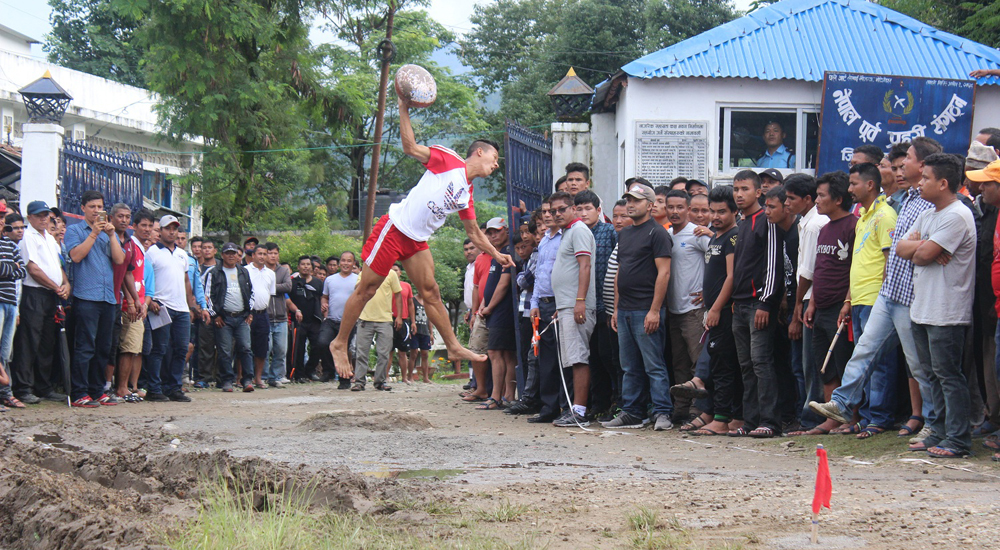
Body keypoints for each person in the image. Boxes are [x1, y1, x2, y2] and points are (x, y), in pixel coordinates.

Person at [329, 96, 512, 380]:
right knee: (366, 289)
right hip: (394, 229)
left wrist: (498, 255)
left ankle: (453, 347)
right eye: (494, 158)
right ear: (478, 153)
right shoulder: (448, 160)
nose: (496, 165)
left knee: (431, 292)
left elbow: (474, 233)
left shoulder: (467, 192)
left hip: (417, 241)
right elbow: (410, 147)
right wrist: (403, 108)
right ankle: (339, 343)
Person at [895, 154, 977, 457]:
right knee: (930, 375)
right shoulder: (928, 213)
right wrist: (923, 247)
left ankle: (957, 439)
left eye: (926, 178)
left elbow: (921, 254)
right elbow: (902, 248)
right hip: (922, 308)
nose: (920, 183)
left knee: (949, 376)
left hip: (947, 311)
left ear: (943, 183)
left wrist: (922, 248)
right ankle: (938, 431)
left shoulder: (956, 215)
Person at [602, 182, 673, 430]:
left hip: (647, 309)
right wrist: (617, 308)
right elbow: (621, 271)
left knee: (654, 364)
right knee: (629, 366)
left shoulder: (658, 233)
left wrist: (655, 310)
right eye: (628, 200)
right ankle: (633, 412)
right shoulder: (626, 233)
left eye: (636, 201)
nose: (630, 205)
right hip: (626, 311)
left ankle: (663, 412)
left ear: (650, 206)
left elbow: (664, 273)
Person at [845, 162, 898, 439]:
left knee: (880, 361)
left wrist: (884, 299)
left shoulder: (886, 215)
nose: (850, 188)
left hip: (877, 298)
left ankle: (880, 416)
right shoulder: (863, 217)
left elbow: (890, 261)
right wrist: (849, 299)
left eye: (854, 183)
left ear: (869, 185)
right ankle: (865, 416)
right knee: (863, 359)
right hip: (859, 298)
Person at [730, 170, 783, 438]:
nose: (739, 194)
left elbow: (773, 264)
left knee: (761, 362)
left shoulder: (767, 220)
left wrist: (765, 302)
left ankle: (770, 421)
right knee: (746, 365)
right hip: (738, 305)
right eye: (736, 189)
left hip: (758, 304)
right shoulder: (741, 223)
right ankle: (749, 421)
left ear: (758, 192)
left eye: (745, 189)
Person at [803, 172, 856, 434]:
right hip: (820, 305)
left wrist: (848, 301)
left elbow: (854, 269)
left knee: (843, 362)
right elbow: (819, 269)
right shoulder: (824, 228)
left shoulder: (853, 226)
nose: (817, 201)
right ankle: (830, 416)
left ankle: (851, 416)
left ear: (838, 198)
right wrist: (811, 302)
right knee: (822, 363)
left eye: (822, 196)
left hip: (840, 307)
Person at [64, 190, 126, 407]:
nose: (97, 211)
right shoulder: (74, 230)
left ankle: (97, 390)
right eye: (92, 207)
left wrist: (110, 235)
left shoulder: (107, 234)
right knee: (85, 346)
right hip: (86, 297)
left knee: (103, 347)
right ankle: (80, 392)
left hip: (108, 298)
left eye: (100, 207)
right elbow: (76, 256)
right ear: (83, 209)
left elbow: (119, 260)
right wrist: (93, 234)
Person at [688, 186, 741, 436]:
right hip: (713, 310)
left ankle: (722, 418)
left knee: (724, 367)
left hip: (726, 312)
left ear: (734, 211)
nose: (715, 216)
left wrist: (716, 308)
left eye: (722, 211)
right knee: (720, 365)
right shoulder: (714, 237)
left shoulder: (733, 238)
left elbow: (731, 277)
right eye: (713, 211)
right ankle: (730, 417)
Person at [546, 192, 596, 427]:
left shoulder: (578, 231)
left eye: (561, 209)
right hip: (567, 305)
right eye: (553, 210)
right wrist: (564, 304)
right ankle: (574, 408)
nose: (557, 214)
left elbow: (584, 266)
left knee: (578, 358)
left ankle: (580, 411)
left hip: (578, 304)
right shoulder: (567, 233)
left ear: (573, 209)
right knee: (572, 359)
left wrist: (579, 300)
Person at [784, 175, 829, 432]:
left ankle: (811, 417)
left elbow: (807, 271)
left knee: (810, 363)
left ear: (807, 199)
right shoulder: (805, 221)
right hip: (807, 298)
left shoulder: (814, 225)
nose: (787, 203)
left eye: (791, 198)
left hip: (812, 298)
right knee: (802, 364)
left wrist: (799, 303)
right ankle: (807, 414)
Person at [11, 201, 66, 407]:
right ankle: (23, 387)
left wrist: (65, 283)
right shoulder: (28, 238)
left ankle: (43, 386)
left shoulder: (50, 240)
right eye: (40, 215)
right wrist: (55, 286)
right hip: (35, 293)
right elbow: (32, 269)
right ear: (30, 217)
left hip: (51, 294)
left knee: (47, 341)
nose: (44, 218)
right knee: (29, 340)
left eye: (46, 215)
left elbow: (57, 265)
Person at [663, 190, 710, 424]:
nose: (675, 211)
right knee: (679, 364)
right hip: (673, 310)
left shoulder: (697, 233)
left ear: (687, 209)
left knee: (697, 362)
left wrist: (708, 291)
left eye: (680, 207)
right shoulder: (666, 234)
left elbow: (720, 258)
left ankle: (699, 410)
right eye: (670, 207)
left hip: (694, 310)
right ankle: (680, 410)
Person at [145, 215, 202, 402]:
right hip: (161, 306)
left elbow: (186, 281)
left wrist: (190, 305)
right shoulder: (152, 252)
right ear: (160, 231)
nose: (172, 232)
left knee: (181, 349)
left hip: (182, 309)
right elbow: (146, 278)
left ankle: (174, 387)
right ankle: (154, 388)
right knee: (160, 349)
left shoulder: (182, 254)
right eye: (168, 228)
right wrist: (150, 300)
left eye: (175, 228)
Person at [576, 190, 617, 419]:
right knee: (590, 357)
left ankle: (615, 401)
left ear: (598, 211)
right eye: (579, 209)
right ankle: (598, 404)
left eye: (588, 209)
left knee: (607, 355)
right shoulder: (574, 234)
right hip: (583, 306)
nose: (583, 213)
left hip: (605, 304)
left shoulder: (609, 232)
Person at [477, 219, 517, 410]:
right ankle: (506, 395)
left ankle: (496, 396)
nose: (493, 236)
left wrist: (490, 307)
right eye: (490, 233)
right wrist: (484, 305)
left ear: (507, 231)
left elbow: (503, 284)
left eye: (497, 232)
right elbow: (489, 286)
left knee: (496, 352)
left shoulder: (508, 253)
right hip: (494, 310)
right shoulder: (496, 254)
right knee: (505, 354)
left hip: (502, 311)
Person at [116, 209, 155, 403]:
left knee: (134, 348)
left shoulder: (139, 248)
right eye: (143, 225)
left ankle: (129, 387)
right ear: (135, 226)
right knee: (128, 347)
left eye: (150, 226)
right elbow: (125, 274)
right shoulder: (130, 245)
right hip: (127, 304)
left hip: (138, 303)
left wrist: (140, 302)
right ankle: (122, 388)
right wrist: (132, 301)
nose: (147, 230)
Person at [204, 242, 254, 393]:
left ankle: (247, 380)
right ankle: (226, 380)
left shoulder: (243, 272)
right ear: (222, 255)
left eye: (234, 253)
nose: (231, 256)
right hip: (224, 318)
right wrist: (215, 315)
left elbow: (251, 293)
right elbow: (208, 295)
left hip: (242, 317)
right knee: (225, 350)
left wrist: (250, 312)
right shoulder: (214, 272)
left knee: (245, 348)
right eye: (228, 253)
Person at [351, 265, 402, 391]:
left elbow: (398, 294)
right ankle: (359, 382)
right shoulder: (364, 272)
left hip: (385, 319)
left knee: (384, 353)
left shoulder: (391, 274)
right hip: (365, 318)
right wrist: (366, 277)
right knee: (361, 352)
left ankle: (380, 381)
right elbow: (357, 289)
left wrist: (399, 316)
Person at [320, 251, 359, 390]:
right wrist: (323, 304)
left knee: (346, 349)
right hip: (331, 319)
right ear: (339, 263)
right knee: (323, 342)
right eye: (343, 260)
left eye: (349, 261)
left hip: (349, 322)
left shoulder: (358, 279)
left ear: (354, 263)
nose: (346, 263)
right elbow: (325, 296)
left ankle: (345, 379)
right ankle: (329, 371)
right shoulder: (330, 280)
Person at [0, 207, 25, 409]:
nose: (1, 221)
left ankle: (5, 394)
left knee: (5, 353)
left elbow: (22, 270)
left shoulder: (9, 244)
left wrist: (11, 269)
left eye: (2, 217)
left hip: (10, 302)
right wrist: (12, 268)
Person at [246, 245, 275, 389]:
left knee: (262, 347)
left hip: (263, 313)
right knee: (244, 345)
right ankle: (242, 377)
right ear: (253, 255)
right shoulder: (245, 271)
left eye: (265, 254)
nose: (262, 256)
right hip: (247, 313)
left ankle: (258, 378)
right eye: (259, 253)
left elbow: (270, 293)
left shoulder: (271, 273)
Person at [263, 242, 291, 388]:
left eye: (275, 253)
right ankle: (264, 376)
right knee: (266, 349)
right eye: (269, 253)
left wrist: (268, 288)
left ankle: (277, 376)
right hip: (265, 315)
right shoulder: (261, 271)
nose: (272, 256)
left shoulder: (283, 271)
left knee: (281, 349)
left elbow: (288, 286)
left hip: (281, 316)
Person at [390, 264, 414, 384]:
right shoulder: (386, 285)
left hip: (404, 320)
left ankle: (404, 378)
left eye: (396, 270)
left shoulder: (406, 286)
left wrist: (413, 321)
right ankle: (385, 377)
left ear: (400, 273)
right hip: (388, 319)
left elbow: (410, 304)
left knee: (403, 351)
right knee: (388, 350)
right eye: (391, 270)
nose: (393, 272)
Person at [409, 288, 433, 383]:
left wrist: (431, 333)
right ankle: (410, 376)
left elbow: (430, 319)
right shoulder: (413, 300)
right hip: (415, 330)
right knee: (413, 353)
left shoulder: (428, 302)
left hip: (425, 331)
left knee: (425, 354)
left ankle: (425, 378)